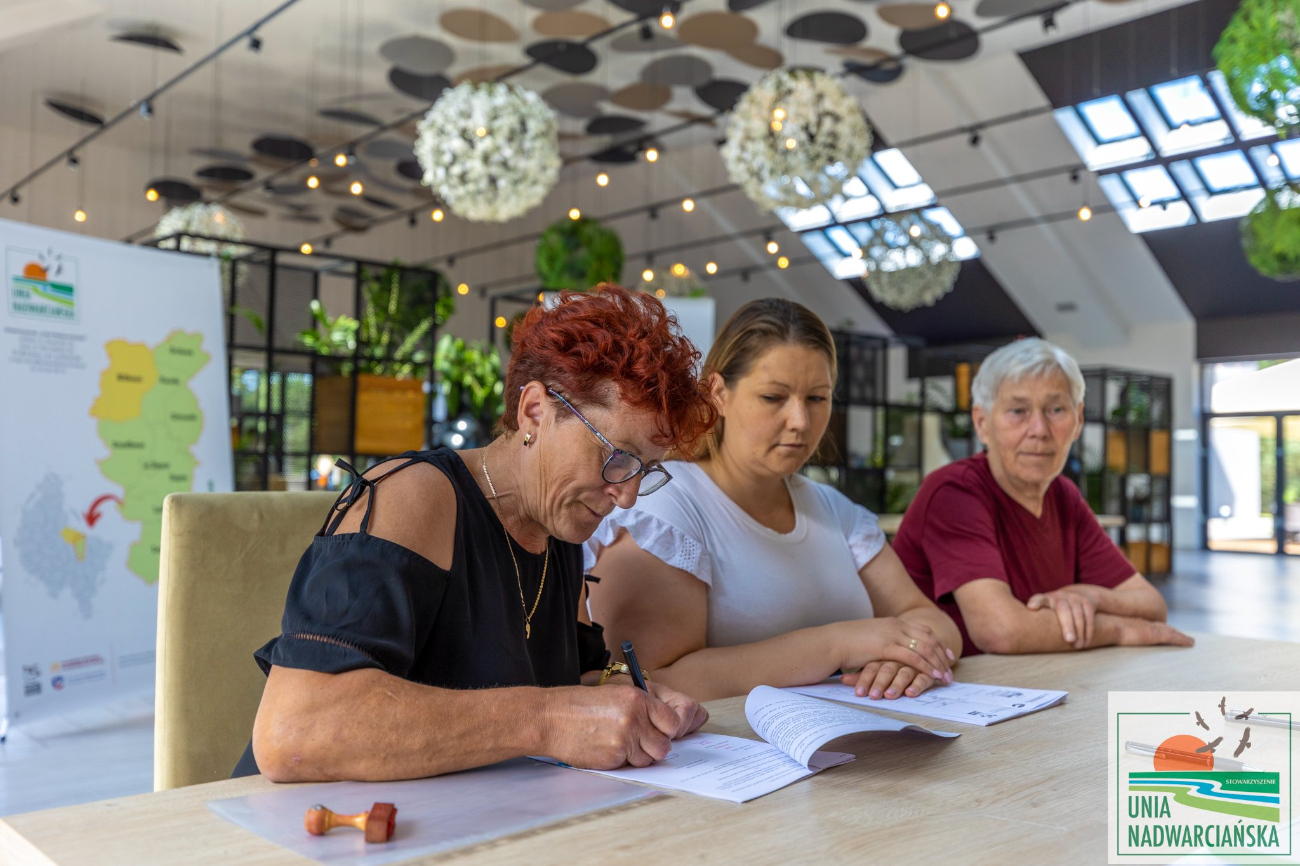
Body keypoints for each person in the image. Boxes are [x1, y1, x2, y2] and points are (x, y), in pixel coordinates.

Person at [237, 285, 717, 782]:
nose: (628, 496)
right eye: (616, 457)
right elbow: (294, 732)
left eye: (645, 469)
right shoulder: (415, 498)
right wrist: (548, 721)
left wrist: (624, 695)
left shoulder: (560, 525)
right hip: (312, 819)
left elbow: (570, 679)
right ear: (535, 411)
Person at [586, 298, 961, 704]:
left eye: (817, 398)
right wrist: (836, 645)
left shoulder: (835, 510)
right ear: (718, 393)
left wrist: (907, 659)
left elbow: (932, 620)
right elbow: (645, 680)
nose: (800, 421)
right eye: (773, 397)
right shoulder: (666, 504)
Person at [892, 337, 1193, 656]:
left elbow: (1151, 605)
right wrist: (1119, 629)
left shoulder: (1063, 495)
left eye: (1056, 410)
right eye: (1018, 411)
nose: (1039, 429)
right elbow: (1001, 631)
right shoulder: (954, 492)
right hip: (948, 685)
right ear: (982, 423)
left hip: (1035, 678)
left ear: (1078, 420)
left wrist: (1090, 597)